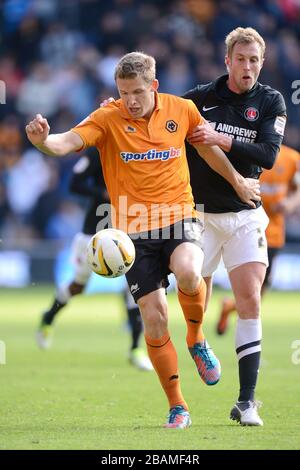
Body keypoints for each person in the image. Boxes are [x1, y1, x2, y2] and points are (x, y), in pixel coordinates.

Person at [26, 51, 260, 429]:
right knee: (154, 318)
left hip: (179, 215)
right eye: (122, 92)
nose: (129, 100)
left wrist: (237, 181)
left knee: (189, 271)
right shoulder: (107, 117)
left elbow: (207, 148)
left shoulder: (181, 109)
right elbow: (66, 142)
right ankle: (178, 406)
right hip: (132, 233)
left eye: (136, 91)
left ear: (154, 86)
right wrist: (42, 141)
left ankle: (197, 339)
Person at [184, 27, 287, 426]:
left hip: (246, 215)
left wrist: (219, 138)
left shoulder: (271, 101)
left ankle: (246, 402)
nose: (248, 67)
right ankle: (197, 339)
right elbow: (157, 113)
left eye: (254, 60)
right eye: (241, 59)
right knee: (194, 291)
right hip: (201, 215)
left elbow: (268, 154)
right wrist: (123, 105)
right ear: (227, 61)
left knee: (251, 300)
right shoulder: (200, 98)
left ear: (262, 63)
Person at [36, 147, 153, 371]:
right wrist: (102, 193)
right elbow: (74, 184)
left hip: (128, 227)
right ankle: (49, 316)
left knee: (133, 288)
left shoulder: (141, 146)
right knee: (78, 286)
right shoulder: (99, 151)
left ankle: (135, 348)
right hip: (95, 230)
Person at [216, 144, 300, 335]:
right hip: (248, 225)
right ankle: (246, 336)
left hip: (274, 231)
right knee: (252, 289)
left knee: (261, 289)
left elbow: (297, 189)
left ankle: (229, 307)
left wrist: (290, 203)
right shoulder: (249, 153)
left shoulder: (292, 158)